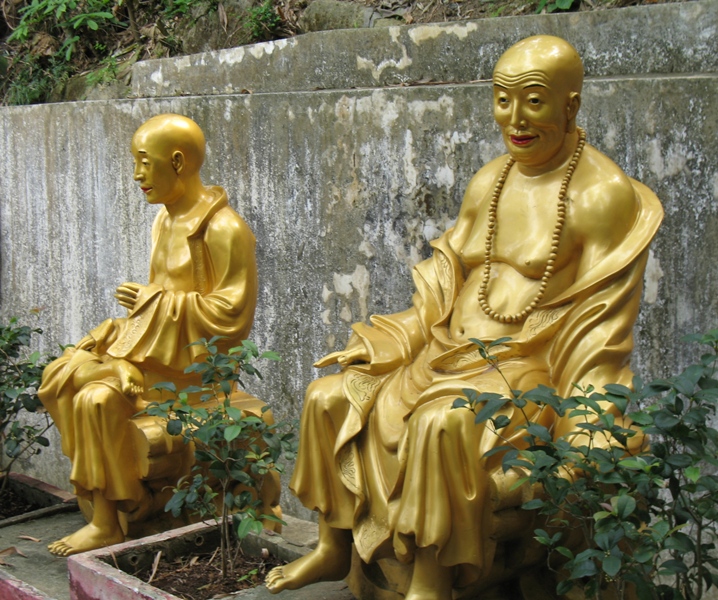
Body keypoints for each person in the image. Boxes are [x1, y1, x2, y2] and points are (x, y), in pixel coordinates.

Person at [266, 35, 663, 599]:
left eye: (533, 100)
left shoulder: (599, 196)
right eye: (503, 100)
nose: (515, 119)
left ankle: (431, 580)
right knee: (329, 397)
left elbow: (600, 328)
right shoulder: (491, 179)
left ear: (570, 105)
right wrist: (395, 337)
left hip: (521, 373)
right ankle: (332, 549)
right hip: (441, 354)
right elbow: (445, 286)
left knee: (441, 424)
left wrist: (587, 425)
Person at [38, 114, 258, 556]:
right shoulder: (164, 220)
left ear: (177, 162)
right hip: (160, 353)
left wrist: (154, 300)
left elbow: (233, 316)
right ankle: (119, 491)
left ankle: (109, 518)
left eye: (144, 162)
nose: (137, 175)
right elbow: (161, 302)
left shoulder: (224, 229)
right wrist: (132, 317)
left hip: (197, 371)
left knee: (95, 397)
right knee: (63, 371)